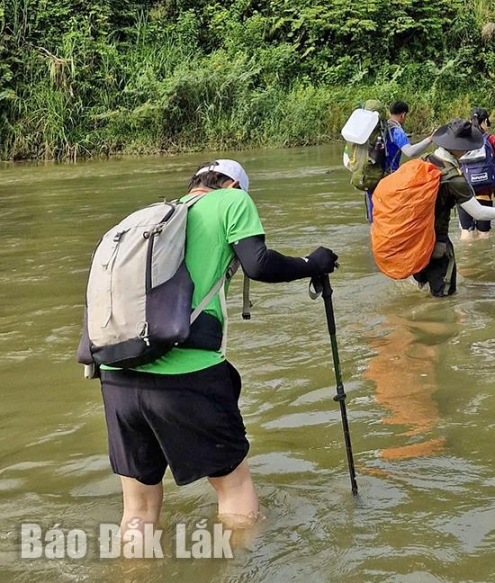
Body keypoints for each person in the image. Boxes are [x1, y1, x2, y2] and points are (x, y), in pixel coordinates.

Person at [97, 159, 339, 539]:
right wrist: (312, 263)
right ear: (232, 184)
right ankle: (242, 564)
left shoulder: (155, 217)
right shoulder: (232, 201)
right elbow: (259, 264)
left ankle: (132, 568)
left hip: (117, 374)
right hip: (186, 373)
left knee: (138, 508)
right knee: (233, 484)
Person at [415, 120, 495, 297]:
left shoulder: (424, 160)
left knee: (425, 292)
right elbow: (479, 213)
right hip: (437, 244)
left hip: (416, 240)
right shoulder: (453, 179)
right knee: (445, 299)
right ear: (459, 147)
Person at [458, 108, 495, 241]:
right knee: (484, 233)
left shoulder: (461, 140)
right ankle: (484, 253)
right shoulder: (490, 139)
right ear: (485, 121)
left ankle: (467, 254)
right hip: (484, 190)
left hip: (463, 190)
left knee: (466, 232)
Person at [386, 100, 433, 172]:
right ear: (403, 115)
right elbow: (410, 152)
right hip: (389, 172)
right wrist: (430, 139)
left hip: (376, 171)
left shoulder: (384, 127)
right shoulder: (397, 132)